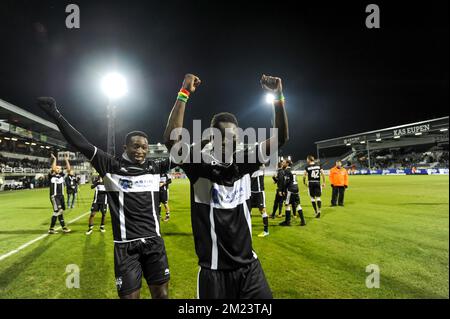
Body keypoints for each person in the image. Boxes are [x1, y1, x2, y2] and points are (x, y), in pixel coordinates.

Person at [163, 73, 289, 299]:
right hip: (214, 273)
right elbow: (172, 142)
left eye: (233, 137)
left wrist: (278, 96)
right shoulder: (198, 165)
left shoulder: (246, 161)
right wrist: (183, 93)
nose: (229, 142)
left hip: (249, 268)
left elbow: (280, 138)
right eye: (223, 137)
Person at [37, 97, 170, 299]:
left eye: (144, 147)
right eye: (136, 146)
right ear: (125, 147)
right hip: (126, 247)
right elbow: (80, 143)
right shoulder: (110, 165)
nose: (141, 151)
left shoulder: (155, 168)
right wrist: (56, 114)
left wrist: (183, 94)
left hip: (154, 243)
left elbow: (183, 155)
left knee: (161, 295)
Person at [48, 153, 72, 234]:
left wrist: (66, 160)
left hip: (61, 196)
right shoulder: (51, 175)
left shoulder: (62, 176)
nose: (58, 169)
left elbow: (68, 169)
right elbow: (53, 167)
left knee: (57, 212)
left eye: (60, 168)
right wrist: (54, 159)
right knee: (59, 210)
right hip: (54, 196)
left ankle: (52, 229)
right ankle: (63, 228)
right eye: (57, 168)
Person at [280, 159, 306, 226]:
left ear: (287, 164)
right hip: (296, 188)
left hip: (290, 189)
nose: (282, 163)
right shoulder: (293, 169)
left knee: (287, 204)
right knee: (297, 204)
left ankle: (287, 222)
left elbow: (286, 182)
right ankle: (303, 221)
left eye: (284, 162)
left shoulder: (286, 171)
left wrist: (283, 190)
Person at [250, 165, 269, 237]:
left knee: (262, 210)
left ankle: (266, 231)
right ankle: (247, 227)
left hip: (259, 193)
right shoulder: (249, 170)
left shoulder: (260, 170)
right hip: (251, 192)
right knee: (248, 209)